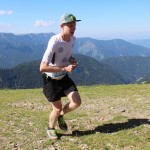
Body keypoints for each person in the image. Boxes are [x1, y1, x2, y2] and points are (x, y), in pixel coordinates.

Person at [40, 13, 82, 140]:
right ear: (61, 26)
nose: (73, 28)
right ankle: (51, 129)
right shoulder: (54, 41)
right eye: (70, 25)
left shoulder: (73, 39)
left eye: (74, 25)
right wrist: (65, 67)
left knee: (77, 102)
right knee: (56, 108)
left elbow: (68, 56)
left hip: (63, 77)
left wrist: (72, 61)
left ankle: (61, 115)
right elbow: (42, 67)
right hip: (50, 79)